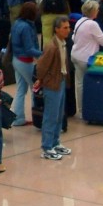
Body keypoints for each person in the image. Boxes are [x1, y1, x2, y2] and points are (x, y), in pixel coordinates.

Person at [36, 16, 73, 161]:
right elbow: (41, 66)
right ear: (56, 29)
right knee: (50, 116)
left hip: (61, 81)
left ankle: (55, 142)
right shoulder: (51, 47)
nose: (68, 30)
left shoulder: (63, 43)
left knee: (59, 115)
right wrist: (41, 80)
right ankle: (46, 147)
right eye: (65, 28)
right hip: (52, 84)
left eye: (68, 27)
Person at [71, 0, 103, 121]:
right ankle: (91, 108)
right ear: (93, 11)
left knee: (79, 84)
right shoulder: (93, 24)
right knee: (93, 84)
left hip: (75, 55)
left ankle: (81, 110)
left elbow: (73, 37)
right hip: (87, 59)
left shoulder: (79, 21)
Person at [10, 1, 42, 126]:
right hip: (25, 61)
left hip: (16, 59)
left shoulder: (17, 23)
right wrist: (43, 54)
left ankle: (18, 118)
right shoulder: (27, 27)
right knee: (35, 88)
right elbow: (29, 48)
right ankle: (37, 116)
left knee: (20, 90)